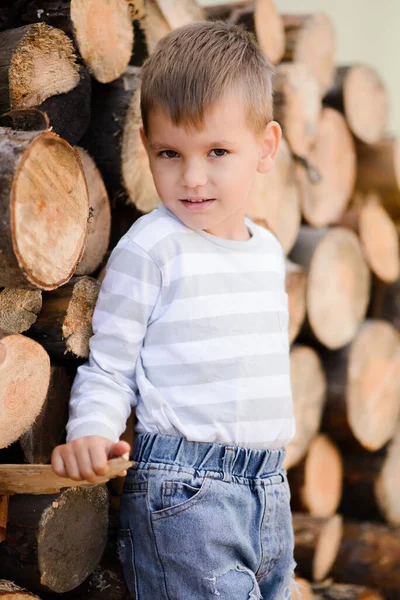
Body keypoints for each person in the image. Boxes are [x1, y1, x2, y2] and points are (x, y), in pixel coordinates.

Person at [51, 20, 296, 600]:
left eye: (217, 151)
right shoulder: (151, 249)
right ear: (145, 146)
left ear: (265, 147)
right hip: (186, 498)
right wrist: (90, 430)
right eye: (170, 152)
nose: (191, 178)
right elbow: (111, 367)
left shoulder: (267, 253)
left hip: (269, 490)